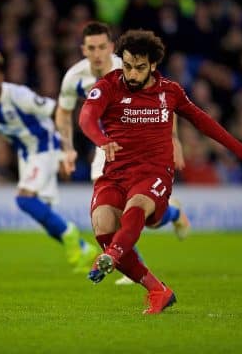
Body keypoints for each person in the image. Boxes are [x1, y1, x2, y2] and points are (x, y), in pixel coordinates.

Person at [79, 30, 242, 314]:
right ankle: (158, 290)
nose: (132, 74)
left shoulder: (170, 91)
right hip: (115, 172)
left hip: (154, 172)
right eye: (126, 66)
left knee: (135, 210)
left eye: (139, 68)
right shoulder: (109, 85)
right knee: (102, 225)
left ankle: (112, 255)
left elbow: (202, 121)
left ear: (153, 65)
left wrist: (237, 148)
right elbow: (86, 116)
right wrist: (101, 140)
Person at [55, 21, 190, 285]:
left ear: (111, 47)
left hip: (143, 147)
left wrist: (173, 139)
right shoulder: (74, 77)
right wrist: (68, 148)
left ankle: (169, 216)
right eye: (91, 48)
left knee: (141, 214)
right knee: (107, 202)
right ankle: (131, 256)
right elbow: (63, 112)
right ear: (83, 49)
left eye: (102, 47)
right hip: (108, 144)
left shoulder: (129, 67)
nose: (97, 53)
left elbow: (163, 100)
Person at [0, 49, 98, 273]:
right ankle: (84, 249)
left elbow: (57, 110)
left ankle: (70, 233)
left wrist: (66, 151)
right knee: (44, 215)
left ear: (1, 77)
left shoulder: (18, 95)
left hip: (45, 146)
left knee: (24, 199)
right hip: (26, 153)